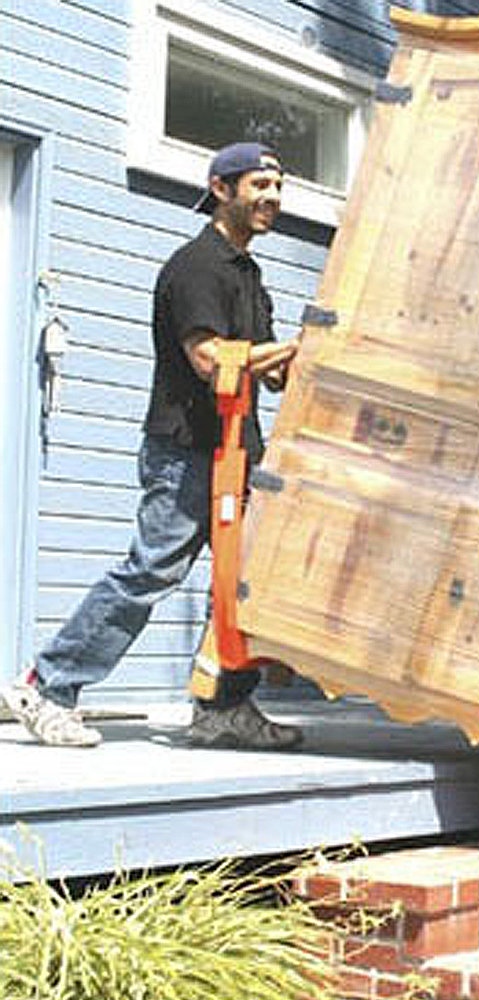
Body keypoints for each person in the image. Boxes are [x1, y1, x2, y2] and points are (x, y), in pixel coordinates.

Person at [1, 141, 304, 752]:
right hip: (186, 449)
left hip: (238, 450)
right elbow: (210, 359)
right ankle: (47, 686)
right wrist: (291, 350)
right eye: (259, 186)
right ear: (222, 189)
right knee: (150, 571)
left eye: (277, 187)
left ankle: (224, 708)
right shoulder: (196, 266)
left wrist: (312, 354)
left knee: (242, 581)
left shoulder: (248, 275)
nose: (272, 198)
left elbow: (268, 371)